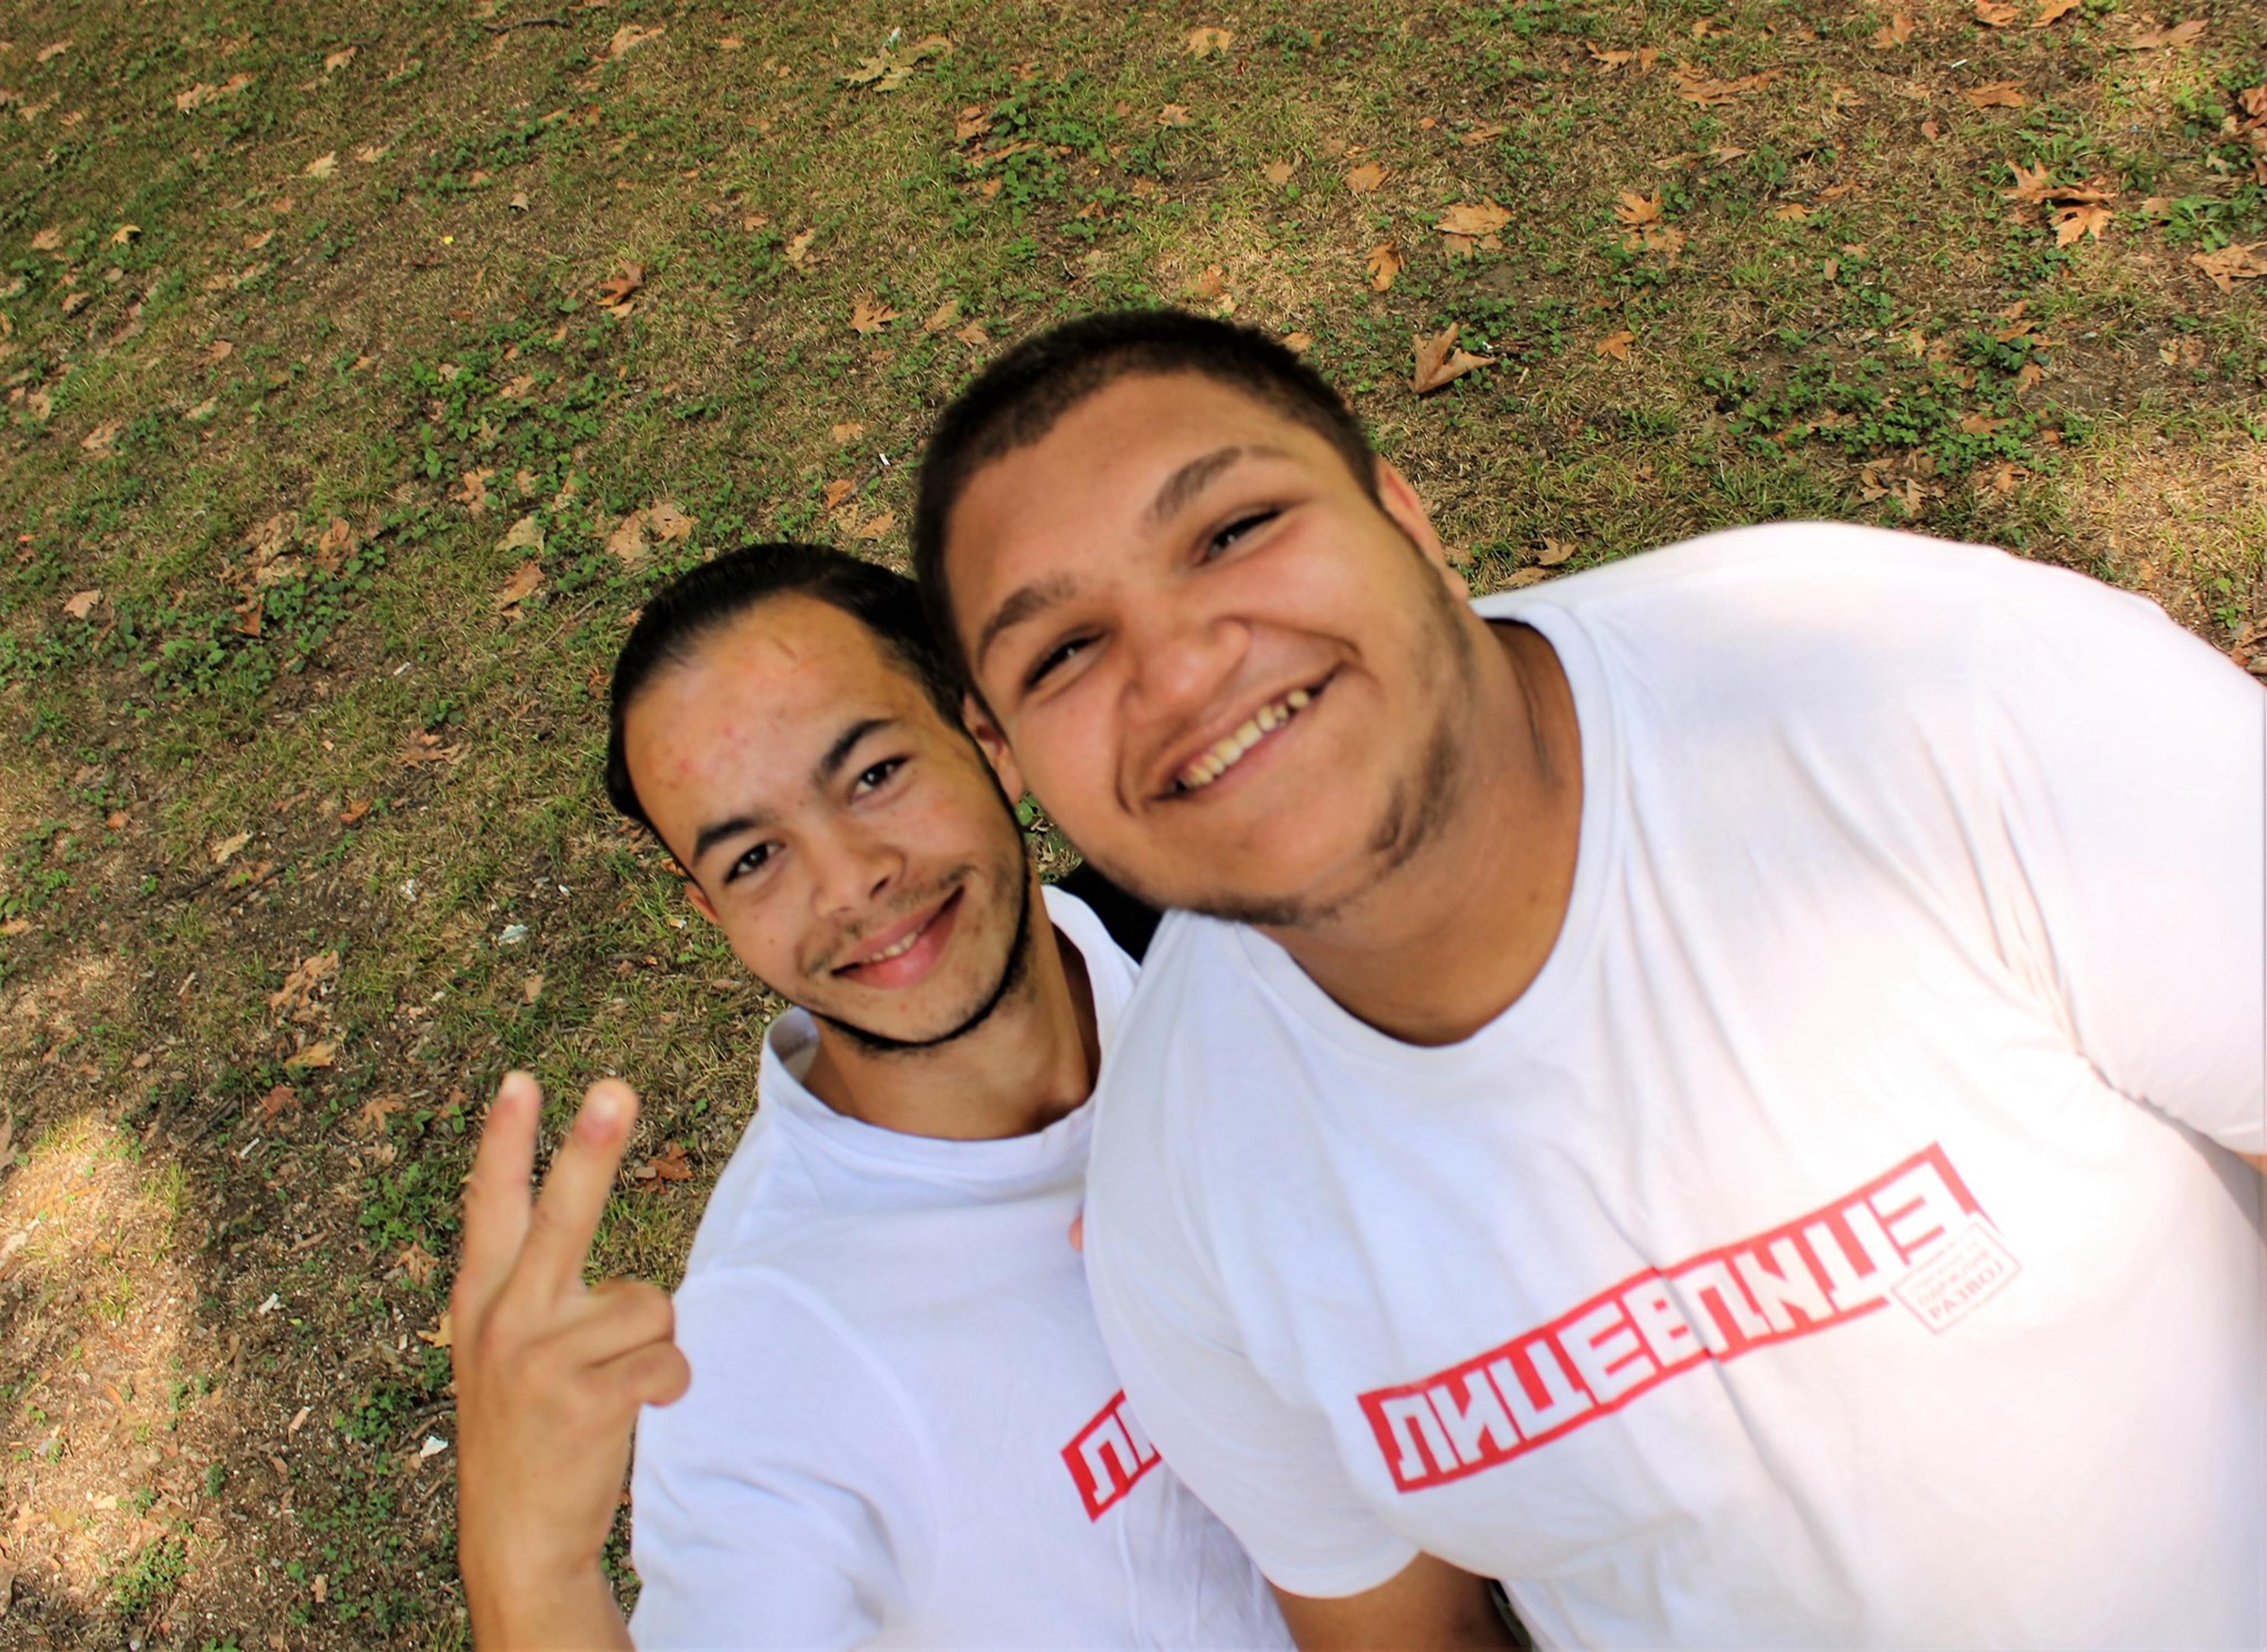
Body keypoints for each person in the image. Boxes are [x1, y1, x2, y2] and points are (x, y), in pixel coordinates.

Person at [910, 309, 2267, 1650]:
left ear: (1403, 517)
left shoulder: (1936, 698)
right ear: (1008, 753)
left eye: (1235, 530)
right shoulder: (1179, 1200)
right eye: (1064, 652)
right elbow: (1398, 1630)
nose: (1185, 666)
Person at [448, 544, 1290, 1650]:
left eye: (874, 775)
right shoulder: (766, 1356)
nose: (848, 883)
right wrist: (532, 1577)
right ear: (707, 910)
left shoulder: (1239, 923)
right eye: (753, 858)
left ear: (988, 735)